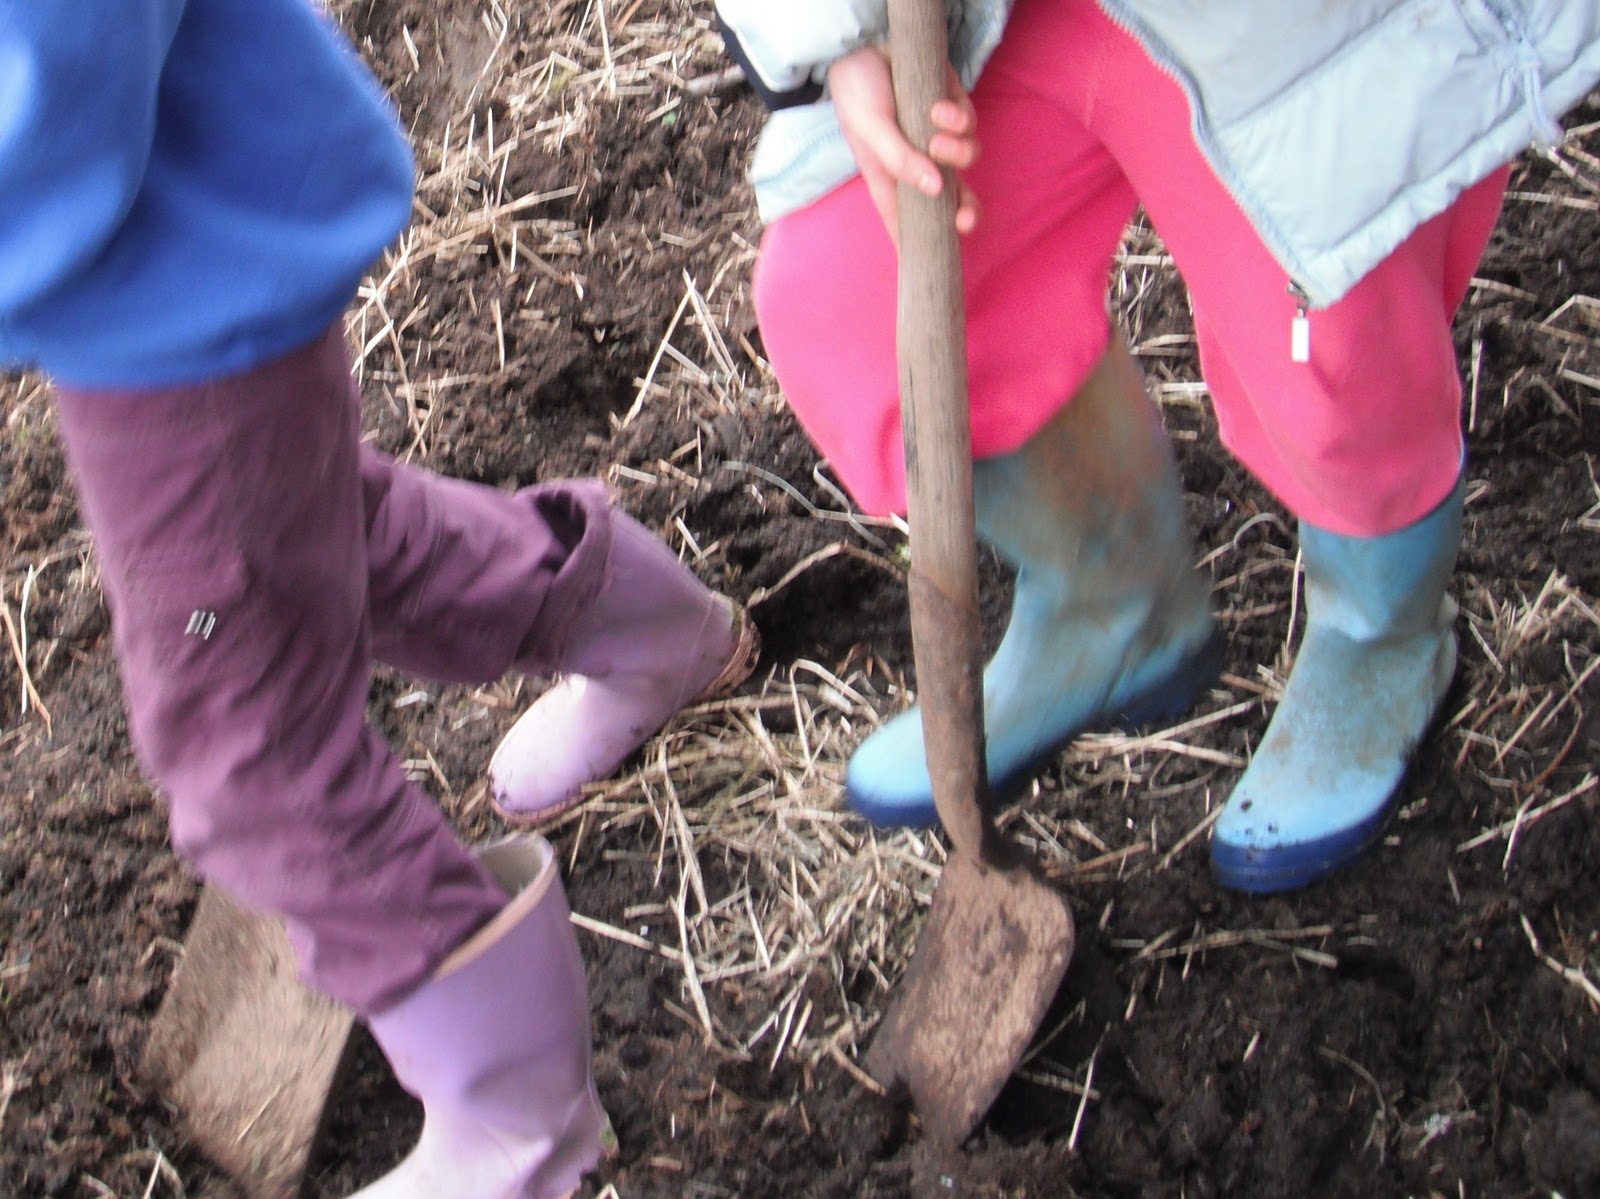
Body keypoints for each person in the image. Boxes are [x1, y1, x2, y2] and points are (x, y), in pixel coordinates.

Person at [0, 2, 757, 1196]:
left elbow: (52, 62)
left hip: (164, 288)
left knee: (239, 740)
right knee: (329, 540)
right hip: (172, 253)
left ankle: (519, 1123)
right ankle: (658, 633)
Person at [714, 0, 1600, 892]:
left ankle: (1384, 633)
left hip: (1284, 34)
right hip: (997, 21)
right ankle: (1109, 603)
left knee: (1323, 335)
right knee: (852, 284)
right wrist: (844, 40)